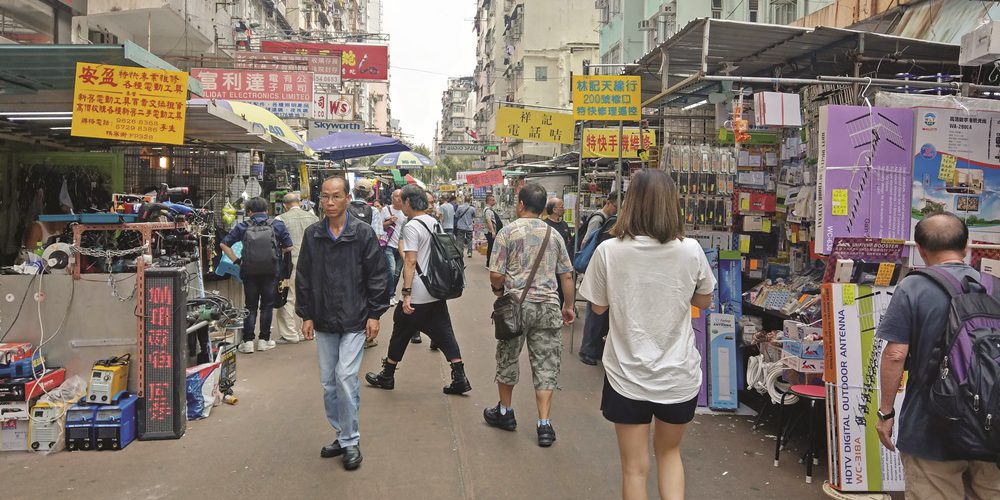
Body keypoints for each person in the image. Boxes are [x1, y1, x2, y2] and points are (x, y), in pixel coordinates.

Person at [579, 169, 715, 500]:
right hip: (677, 375)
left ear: (631, 204)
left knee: (634, 468)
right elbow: (703, 300)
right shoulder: (691, 250)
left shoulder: (609, 251)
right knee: (670, 456)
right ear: (673, 205)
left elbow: (597, 308)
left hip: (626, 375)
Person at [876, 212, 1000, 499]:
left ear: (921, 249)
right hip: (992, 426)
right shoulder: (995, 287)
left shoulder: (913, 287)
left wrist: (886, 413)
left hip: (930, 427)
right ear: (967, 246)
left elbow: (895, 354)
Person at [296, 177, 389, 471]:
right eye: (325, 197)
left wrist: (375, 314)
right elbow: (304, 277)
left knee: (346, 377)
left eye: (336, 196)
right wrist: (306, 314)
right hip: (323, 318)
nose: (330, 202)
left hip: (354, 317)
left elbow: (378, 275)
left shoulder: (362, 234)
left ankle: (350, 440)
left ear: (348, 198)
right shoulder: (313, 235)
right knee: (329, 384)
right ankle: (341, 433)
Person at [485, 183, 575, 447]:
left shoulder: (507, 232)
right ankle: (544, 424)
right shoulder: (554, 235)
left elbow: (496, 273)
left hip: (516, 307)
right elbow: (566, 275)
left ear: (521, 204)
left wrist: (498, 291)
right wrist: (568, 305)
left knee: (508, 357)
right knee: (546, 363)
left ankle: (505, 412)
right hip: (548, 307)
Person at [364, 184, 471, 396]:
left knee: (401, 329)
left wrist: (406, 293)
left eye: (402, 201)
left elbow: (410, 261)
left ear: (409, 202)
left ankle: (387, 375)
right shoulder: (434, 222)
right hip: (435, 289)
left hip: (419, 291)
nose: (401, 205)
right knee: (444, 332)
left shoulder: (412, 226)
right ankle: (459, 376)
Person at [221, 197, 294, 354]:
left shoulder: (242, 226)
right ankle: (264, 340)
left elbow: (223, 244)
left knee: (250, 306)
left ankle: (248, 342)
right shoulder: (277, 225)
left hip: (249, 271)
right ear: (267, 210)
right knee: (267, 306)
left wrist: (237, 261)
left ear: (249, 212)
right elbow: (289, 247)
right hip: (271, 271)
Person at [578, 197, 619, 366]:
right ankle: (587, 349)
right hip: (599, 272)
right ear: (608, 203)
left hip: (602, 272)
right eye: (615, 205)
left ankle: (595, 348)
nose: (616, 209)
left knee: (598, 314)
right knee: (595, 314)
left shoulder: (610, 221)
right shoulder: (600, 219)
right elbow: (586, 242)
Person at [274, 192, 319, 344]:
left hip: (289, 263)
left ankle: (290, 334)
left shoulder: (280, 219)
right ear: (299, 203)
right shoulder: (313, 218)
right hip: (312, 263)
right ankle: (310, 330)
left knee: (287, 297)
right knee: (310, 295)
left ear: (285, 205)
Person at [543, 197, 574, 304]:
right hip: (549, 267)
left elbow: (568, 242)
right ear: (554, 209)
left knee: (561, 293)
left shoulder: (564, 224)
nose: (564, 209)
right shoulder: (545, 225)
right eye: (562, 206)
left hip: (562, 266)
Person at [380, 189, 407, 306]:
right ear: (392, 198)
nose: (399, 198)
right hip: (389, 245)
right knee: (391, 270)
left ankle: (392, 293)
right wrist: (389, 222)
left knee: (397, 273)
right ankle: (390, 295)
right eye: (396, 196)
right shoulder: (386, 210)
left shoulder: (406, 211)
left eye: (401, 196)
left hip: (402, 246)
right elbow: (380, 226)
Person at [484, 194, 503, 268]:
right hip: (490, 232)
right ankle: (488, 263)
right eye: (493, 200)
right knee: (491, 247)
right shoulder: (488, 211)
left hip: (491, 231)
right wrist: (493, 231)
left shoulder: (489, 210)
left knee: (492, 247)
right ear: (489, 201)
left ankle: (490, 262)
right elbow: (489, 221)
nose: (494, 201)